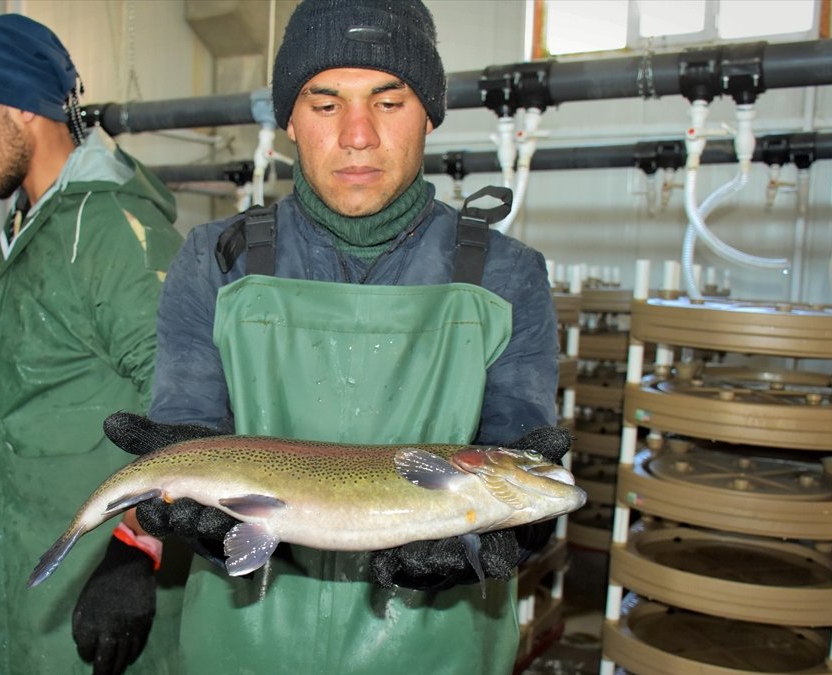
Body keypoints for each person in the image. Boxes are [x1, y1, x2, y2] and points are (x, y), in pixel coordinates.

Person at [101, 0, 563, 673]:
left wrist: (514, 532)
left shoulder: (507, 274)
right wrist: (178, 508)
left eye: (389, 101)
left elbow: (514, 453)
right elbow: (189, 424)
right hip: (243, 645)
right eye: (325, 104)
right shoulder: (215, 261)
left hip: (436, 650)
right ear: (289, 117)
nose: (357, 135)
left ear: (430, 112)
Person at [0, 14, 182, 674]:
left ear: (22, 106)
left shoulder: (107, 233)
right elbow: (43, 389)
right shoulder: (26, 230)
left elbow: (193, 404)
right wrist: (3, 487)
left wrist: (138, 547)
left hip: (102, 598)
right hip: (36, 578)